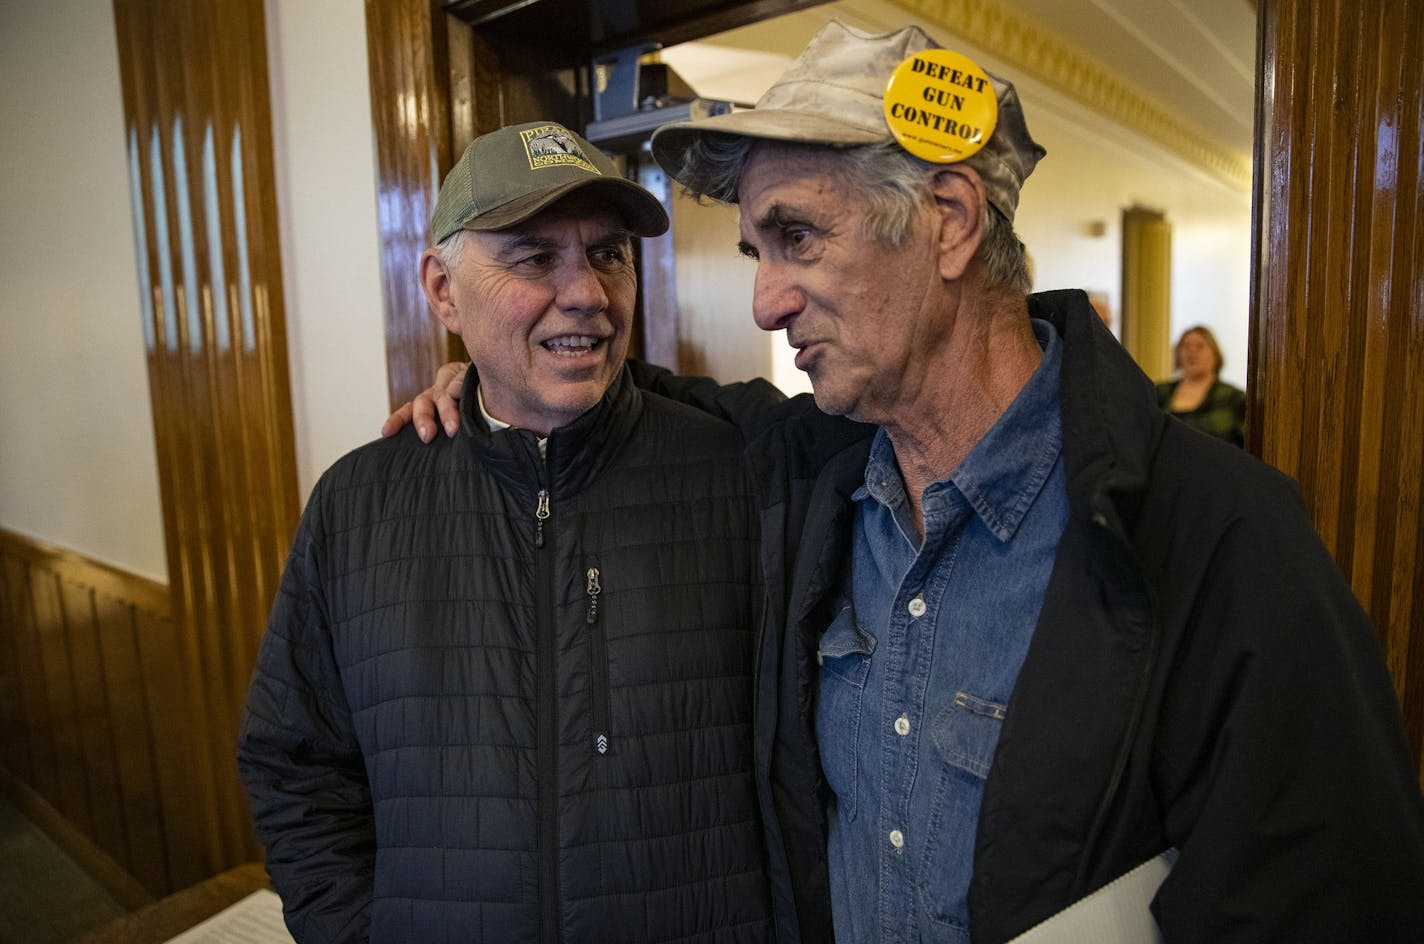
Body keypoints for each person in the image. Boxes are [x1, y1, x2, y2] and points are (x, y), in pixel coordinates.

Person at [390, 23, 1424, 943]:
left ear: (948, 218)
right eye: (755, 248)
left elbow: (1319, 899)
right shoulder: (810, 472)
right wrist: (492, 370)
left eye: (794, 235)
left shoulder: (1217, 534)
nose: (761, 300)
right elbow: (649, 401)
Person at [238, 120, 779, 943]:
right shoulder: (357, 505)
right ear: (442, 290)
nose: (589, 294)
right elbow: (297, 766)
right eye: (533, 257)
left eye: (608, 253)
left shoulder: (738, 472)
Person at [1156, 325, 1248, 445]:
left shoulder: (1234, 398)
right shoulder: (1159, 392)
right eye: (1186, 346)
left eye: (1200, 346)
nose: (1192, 351)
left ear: (1215, 355)